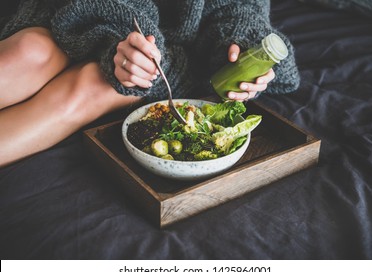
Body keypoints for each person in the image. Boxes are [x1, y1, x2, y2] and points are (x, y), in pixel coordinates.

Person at [0, 0, 300, 167]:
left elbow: (239, 8)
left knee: (91, 87)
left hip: (171, 50)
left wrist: (242, 46)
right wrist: (120, 34)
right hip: (84, 11)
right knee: (29, 54)